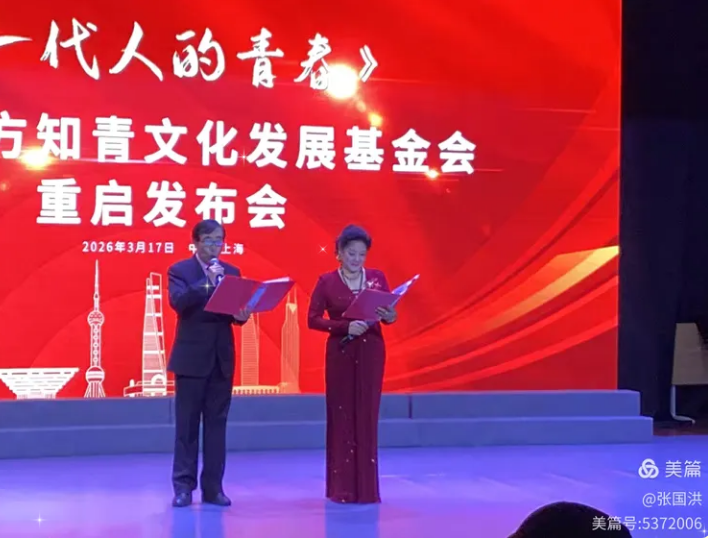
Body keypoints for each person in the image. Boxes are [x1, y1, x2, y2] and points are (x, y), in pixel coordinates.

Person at [307, 224, 398, 504]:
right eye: (351, 253)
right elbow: (313, 319)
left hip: (371, 350)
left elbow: (389, 315)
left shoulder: (377, 278)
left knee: (367, 414)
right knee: (342, 415)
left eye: (361, 254)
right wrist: (343, 327)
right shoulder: (326, 282)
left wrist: (390, 315)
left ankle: (367, 489)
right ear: (339, 253)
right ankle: (342, 488)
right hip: (341, 351)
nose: (356, 259)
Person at [167, 219, 250, 508]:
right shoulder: (180, 271)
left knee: (217, 426)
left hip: (221, 359)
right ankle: (183, 487)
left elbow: (233, 314)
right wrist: (207, 282)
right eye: (209, 241)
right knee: (187, 427)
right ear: (196, 243)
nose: (215, 246)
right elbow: (179, 302)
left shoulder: (232, 273)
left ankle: (213, 489)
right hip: (191, 359)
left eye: (219, 241)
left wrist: (241, 315)